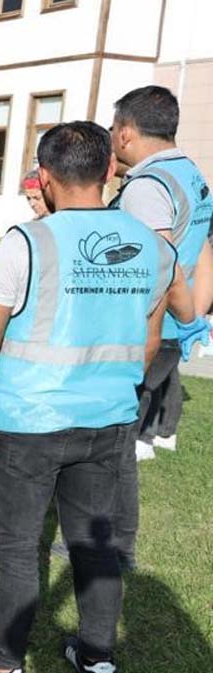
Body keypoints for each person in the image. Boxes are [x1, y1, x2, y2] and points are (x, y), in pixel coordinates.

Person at [0, 121, 202, 673]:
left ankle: (2, 667)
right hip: (107, 421)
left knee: (14, 546)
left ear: (46, 179)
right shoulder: (154, 246)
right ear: (111, 170)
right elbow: (150, 344)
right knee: (93, 544)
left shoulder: (28, 241)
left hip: (29, 423)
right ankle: (97, 658)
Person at [109, 85, 213, 461]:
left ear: (125, 133)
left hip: (146, 330)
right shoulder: (191, 174)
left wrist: (187, 320)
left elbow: (160, 266)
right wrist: (195, 317)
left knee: (114, 439)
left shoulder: (147, 186)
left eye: (112, 127)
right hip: (174, 326)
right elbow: (203, 250)